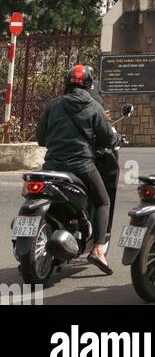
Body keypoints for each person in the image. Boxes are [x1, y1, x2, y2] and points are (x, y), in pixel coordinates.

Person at [35, 63, 117, 274]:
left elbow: (41, 138)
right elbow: (108, 139)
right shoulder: (93, 107)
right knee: (103, 200)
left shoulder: (53, 105)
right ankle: (98, 249)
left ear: (66, 84)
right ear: (89, 86)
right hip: (81, 165)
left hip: (51, 166)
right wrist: (115, 138)